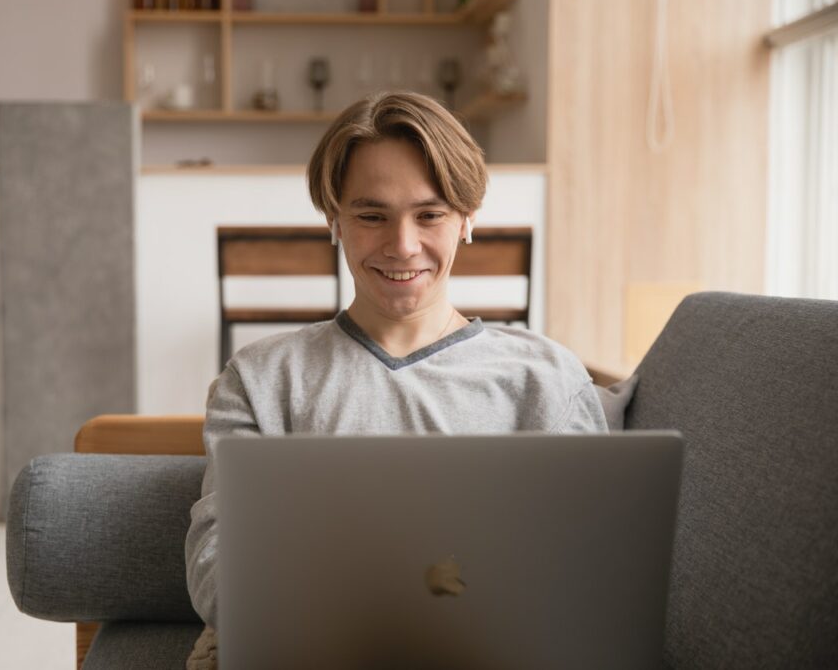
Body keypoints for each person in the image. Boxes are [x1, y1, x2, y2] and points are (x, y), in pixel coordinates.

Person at [184, 91, 607, 666]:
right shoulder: (261, 381)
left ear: (468, 220)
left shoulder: (548, 381)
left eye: (429, 215)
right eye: (371, 215)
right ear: (334, 220)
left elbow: (590, 571)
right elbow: (219, 564)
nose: (402, 245)